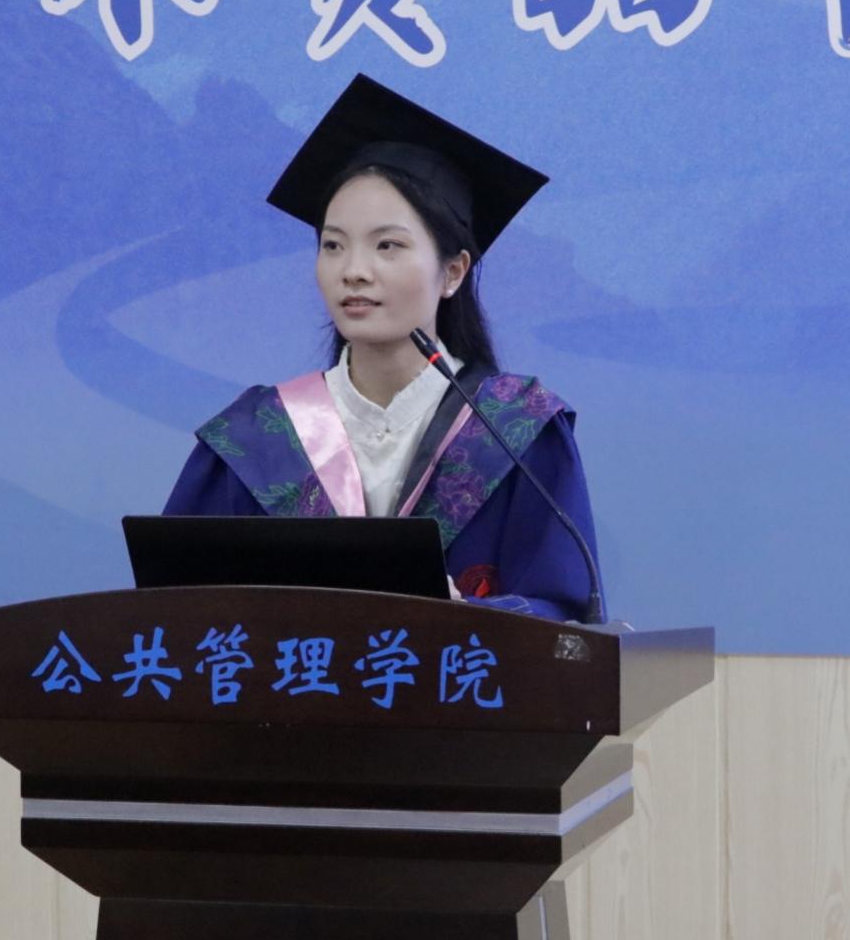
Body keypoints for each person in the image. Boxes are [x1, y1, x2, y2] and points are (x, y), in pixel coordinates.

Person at [164, 74, 603, 623]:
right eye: (333, 245)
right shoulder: (255, 436)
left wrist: (470, 617)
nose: (353, 271)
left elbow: (566, 614)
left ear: (452, 271)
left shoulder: (515, 431)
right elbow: (177, 613)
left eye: (388, 245)